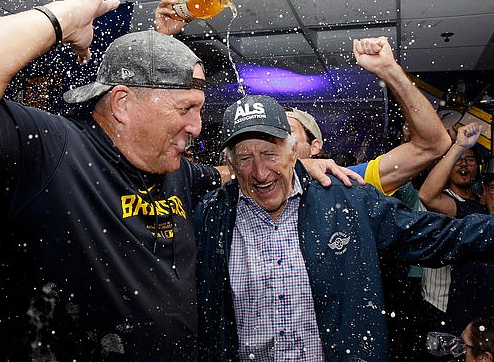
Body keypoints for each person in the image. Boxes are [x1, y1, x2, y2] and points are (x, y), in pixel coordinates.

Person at [0, 0, 358, 360]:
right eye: (186, 109)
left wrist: (298, 165)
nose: (197, 128)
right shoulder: (51, 152)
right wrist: (62, 18)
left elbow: (236, 173)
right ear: (123, 104)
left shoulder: (178, 171)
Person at [194, 94, 494, 361]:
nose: (260, 172)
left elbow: (436, 236)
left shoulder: (345, 198)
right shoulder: (212, 217)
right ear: (230, 163)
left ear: (291, 150)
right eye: (245, 158)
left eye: (270, 153)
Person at [286, 39, 451, 196]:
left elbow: (432, 145)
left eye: (288, 130)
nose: (277, 138)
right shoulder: (260, 185)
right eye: (267, 134)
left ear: (314, 147)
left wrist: (390, 71)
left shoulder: (341, 181)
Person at [418, 122, 494, 340]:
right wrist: (458, 147)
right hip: (460, 318)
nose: (464, 165)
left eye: (469, 160)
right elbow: (428, 196)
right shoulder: (465, 212)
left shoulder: (477, 209)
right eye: (459, 161)